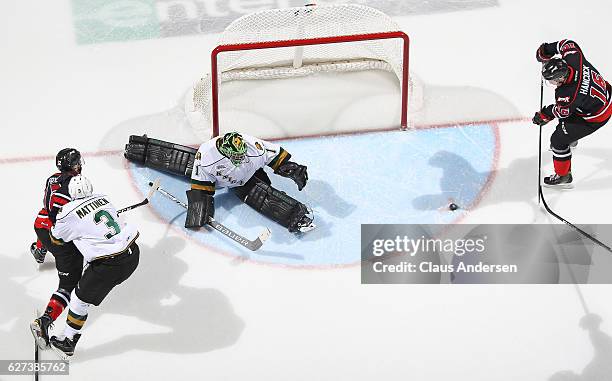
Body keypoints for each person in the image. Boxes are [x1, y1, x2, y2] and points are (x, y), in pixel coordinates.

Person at [124, 132, 314, 233]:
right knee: (181, 161)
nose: (240, 157)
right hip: (222, 181)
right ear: (224, 151)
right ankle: (145, 149)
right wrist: (198, 213)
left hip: (248, 177)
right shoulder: (206, 156)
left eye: (241, 154)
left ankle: (296, 216)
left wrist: (291, 169)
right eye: (234, 156)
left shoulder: (254, 146)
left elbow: (277, 159)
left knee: (264, 193)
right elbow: (201, 187)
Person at [47, 175, 140, 358]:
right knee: (88, 289)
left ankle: (69, 340)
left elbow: (56, 239)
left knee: (78, 300)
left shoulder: (67, 212)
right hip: (133, 255)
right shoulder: (103, 198)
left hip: (109, 264)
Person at [534, 39, 611, 188]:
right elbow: (566, 43)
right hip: (603, 96)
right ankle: (572, 138)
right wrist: (547, 50)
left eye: (552, 81)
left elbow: (561, 112)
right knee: (567, 121)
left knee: (558, 140)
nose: (552, 84)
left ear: (561, 78)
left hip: (595, 117)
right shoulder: (574, 57)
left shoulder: (568, 94)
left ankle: (563, 176)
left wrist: (544, 114)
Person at [30, 148, 85, 350]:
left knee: (44, 222)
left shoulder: (52, 178)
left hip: (40, 225)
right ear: (74, 165)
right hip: (57, 236)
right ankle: (43, 323)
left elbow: (49, 208)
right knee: (68, 287)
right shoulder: (75, 185)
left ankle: (39, 249)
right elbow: (64, 224)